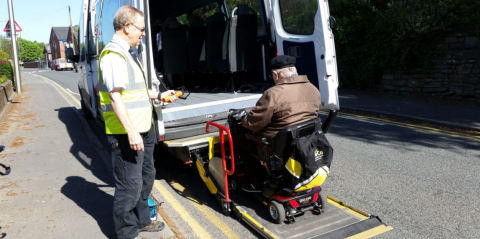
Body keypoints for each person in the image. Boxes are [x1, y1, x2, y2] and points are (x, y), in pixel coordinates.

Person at [98, 6, 177, 239]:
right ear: (127, 27)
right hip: (127, 133)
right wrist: (131, 132)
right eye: (141, 29)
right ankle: (126, 233)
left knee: (145, 177)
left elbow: (136, 91)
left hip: (144, 128)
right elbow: (115, 97)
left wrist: (159, 95)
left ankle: (142, 220)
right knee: (129, 186)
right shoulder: (113, 56)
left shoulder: (129, 53)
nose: (143, 34)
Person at [237, 55, 321, 192]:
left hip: (278, 150)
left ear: (276, 74)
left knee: (241, 141)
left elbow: (254, 123)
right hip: (306, 144)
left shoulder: (273, 93)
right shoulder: (312, 88)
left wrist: (244, 119)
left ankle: (258, 181)